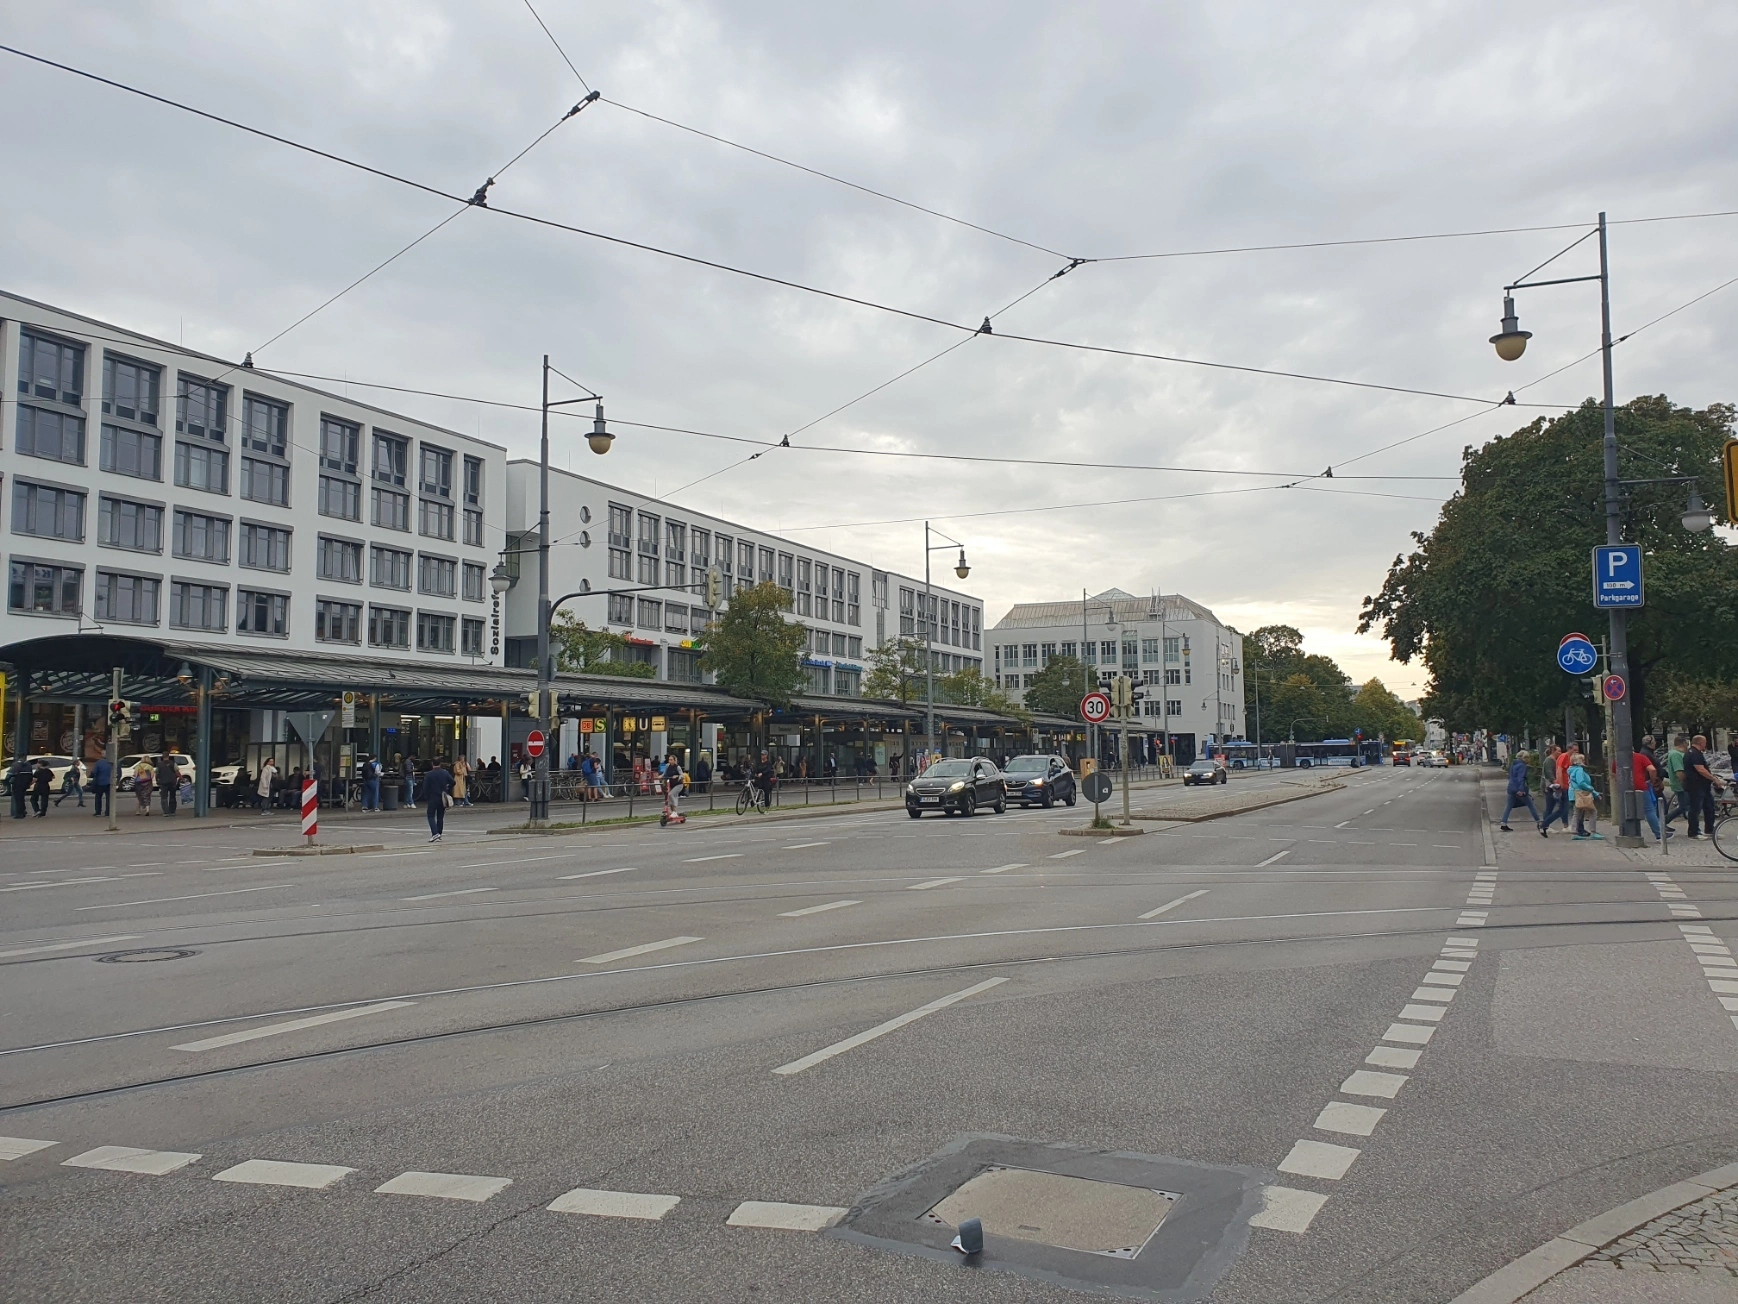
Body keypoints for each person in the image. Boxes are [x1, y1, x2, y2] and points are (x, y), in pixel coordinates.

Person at [1682, 733, 1724, 839]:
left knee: (1709, 807)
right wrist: (1714, 779)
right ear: (1701, 742)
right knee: (1695, 809)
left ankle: (1709, 830)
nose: (1706, 744)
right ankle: (1693, 832)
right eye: (1705, 742)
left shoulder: (1696, 753)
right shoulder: (1693, 753)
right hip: (1695, 786)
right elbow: (1700, 769)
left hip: (1703, 786)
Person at [1499, 751, 1545, 835]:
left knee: (1508, 806)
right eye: (1527, 757)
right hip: (1519, 788)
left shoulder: (1514, 764)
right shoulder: (1522, 766)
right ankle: (1538, 822)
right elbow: (1521, 778)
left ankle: (1503, 822)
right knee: (1530, 804)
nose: (1529, 759)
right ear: (1523, 758)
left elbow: (1512, 777)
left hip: (1511, 787)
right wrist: (1521, 789)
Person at [1634, 735, 1668, 843]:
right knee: (1651, 809)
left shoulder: (1643, 753)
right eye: (1654, 742)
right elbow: (1652, 769)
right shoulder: (1644, 755)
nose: (1655, 744)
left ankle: (1660, 828)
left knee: (1643, 808)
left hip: (1633, 786)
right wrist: (1654, 781)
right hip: (1644, 784)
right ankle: (1659, 832)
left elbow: (1615, 774)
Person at [1567, 751, 1601, 840]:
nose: (1584, 761)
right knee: (1592, 811)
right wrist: (1591, 790)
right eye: (1582, 759)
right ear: (1578, 761)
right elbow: (1581, 782)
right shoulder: (1579, 770)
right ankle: (1593, 832)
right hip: (1581, 793)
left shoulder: (1572, 770)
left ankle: (1574, 832)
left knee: (1577, 813)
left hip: (1575, 793)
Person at [421, 757, 453, 842]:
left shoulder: (429, 774)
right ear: (440, 763)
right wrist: (447, 790)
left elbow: (425, 788)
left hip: (432, 797)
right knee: (440, 816)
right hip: (442, 797)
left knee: (430, 815)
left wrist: (426, 797)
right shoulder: (445, 773)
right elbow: (453, 782)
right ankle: (439, 833)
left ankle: (435, 833)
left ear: (432, 764)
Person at [662, 752, 685, 818]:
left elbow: (682, 775)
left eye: (671, 760)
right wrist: (661, 776)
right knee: (669, 797)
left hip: (678, 784)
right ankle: (673, 812)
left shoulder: (678, 767)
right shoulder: (667, 766)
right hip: (671, 784)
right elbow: (664, 773)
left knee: (671, 794)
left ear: (675, 760)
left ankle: (674, 811)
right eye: (669, 759)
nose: (670, 761)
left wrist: (677, 776)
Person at [90, 753, 112, 818]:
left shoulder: (99, 763)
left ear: (102, 755)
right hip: (110, 783)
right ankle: (107, 813)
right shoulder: (112, 762)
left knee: (98, 797)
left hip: (100, 782)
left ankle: (98, 812)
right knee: (109, 798)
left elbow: (94, 772)